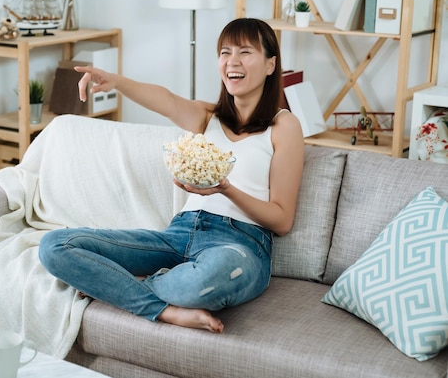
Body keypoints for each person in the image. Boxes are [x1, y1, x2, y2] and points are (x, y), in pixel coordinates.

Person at [39, 18, 304, 333]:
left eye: (245, 52)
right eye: (225, 52)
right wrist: (114, 80)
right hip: (178, 235)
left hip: (240, 245)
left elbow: (282, 220)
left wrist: (226, 190)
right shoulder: (209, 117)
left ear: (271, 64)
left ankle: (122, 286)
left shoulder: (284, 125)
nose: (232, 61)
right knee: (55, 246)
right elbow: (165, 100)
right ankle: (165, 310)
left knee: (211, 278)